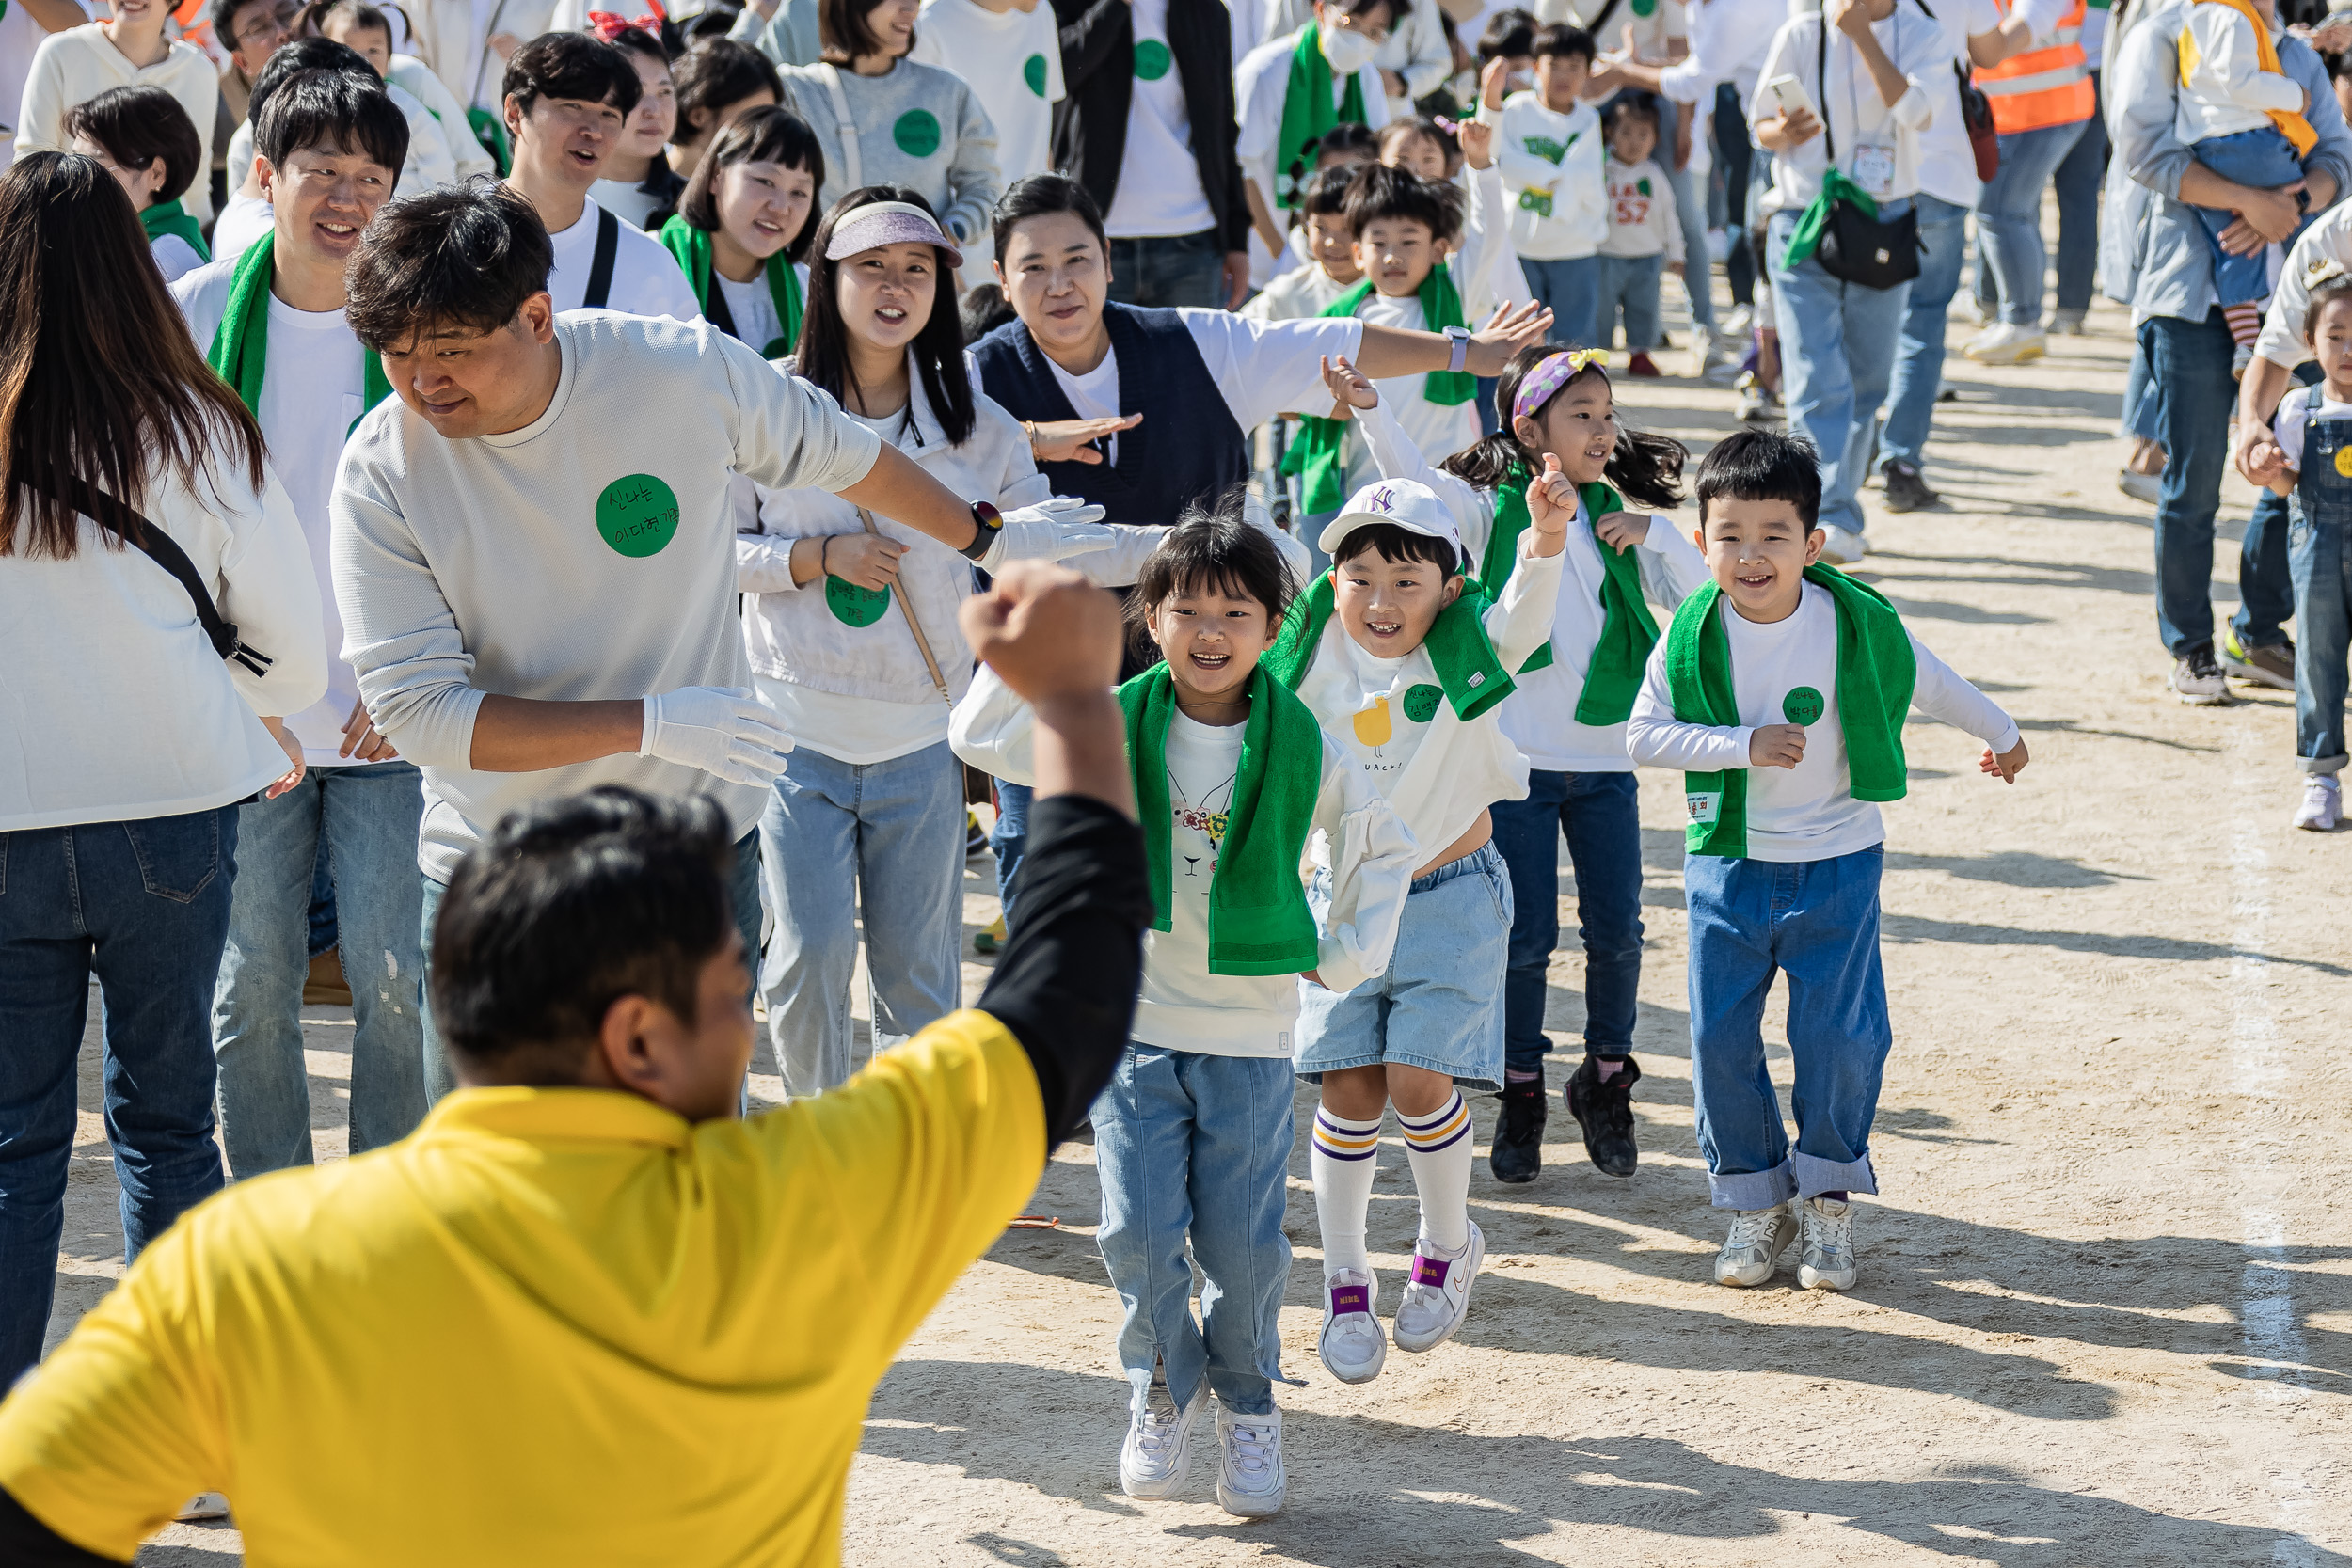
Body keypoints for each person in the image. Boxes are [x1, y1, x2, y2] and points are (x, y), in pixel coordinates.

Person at [0, 562, 1157, 1566]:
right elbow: (1066, 1001)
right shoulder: (799, 1208)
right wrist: (1067, 703)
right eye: (726, 995)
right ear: (639, 1038)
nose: (745, 1025)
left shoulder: (246, 1269)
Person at [327, 180, 1055, 1101]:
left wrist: (989, 538)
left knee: (686, 1167)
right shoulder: (381, 469)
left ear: (537, 316)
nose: (425, 381)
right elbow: (420, 714)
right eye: (397, 355)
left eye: (454, 352)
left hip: (689, 856)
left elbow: (845, 453)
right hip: (500, 868)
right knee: (502, 1198)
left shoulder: (674, 372)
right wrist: (651, 722)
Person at [952, 502, 1417, 1518]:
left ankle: (1249, 1403)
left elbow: (1381, 845)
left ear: (1272, 624)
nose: (1212, 631)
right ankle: (1161, 1387)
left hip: (1250, 1033)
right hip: (1133, 1021)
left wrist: (1343, 955)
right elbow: (975, 733)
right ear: (1149, 616)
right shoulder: (1108, 715)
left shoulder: (1304, 740)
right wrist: (1023, 615)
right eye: (1188, 608)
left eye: (1237, 611)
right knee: (1134, 1228)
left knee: (1243, 1244)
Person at [968, 173, 1549, 925]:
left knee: (1187, 894)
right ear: (1000, 280)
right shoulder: (974, 380)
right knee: (1047, 897)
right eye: (1033, 267)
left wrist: (1468, 354)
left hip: (1198, 675)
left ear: (1109, 260)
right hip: (1046, 680)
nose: (1059, 284)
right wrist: (1027, 439)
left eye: (1077, 259)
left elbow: (1331, 342)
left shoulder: (1195, 343)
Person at [0, 151, 325, 1389]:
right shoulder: (195, 427)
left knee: (15, 1147)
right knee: (170, 1128)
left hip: (7, 819)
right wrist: (207, 686)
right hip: (173, 812)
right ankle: (183, 1434)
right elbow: (293, 660)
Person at [737, 188, 1123, 1095]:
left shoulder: (978, 426)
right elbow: (715, 553)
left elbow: (1035, 547)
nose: (895, 286)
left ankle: (911, 1165)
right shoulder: (768, 403)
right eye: (871, 266)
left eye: (917, 270)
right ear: (826, 279)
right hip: (793, 730)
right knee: (808, 956)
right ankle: (820, 1150)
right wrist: (812, 556)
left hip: (923, 733)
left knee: (920, 974)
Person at [1626, 428, 2027, 1292]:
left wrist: (2003, 732)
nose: (1751, 554)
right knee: (1716, 1036)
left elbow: (1930, 679)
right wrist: (1740, 745)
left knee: (1840, 1039)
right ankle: (1753, 1205)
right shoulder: (1690, 635)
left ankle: (1829, 1200)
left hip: (1838, 860)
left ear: (1812, 543)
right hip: (1727, 863)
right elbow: (1642, 735)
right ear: (1701, 543)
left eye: (1774, 535)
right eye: (1729, 535)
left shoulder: (1854, 622)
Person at [1344, 345, 1707, 1181]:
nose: (1603, 431)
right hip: (1518, 766)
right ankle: (1522, 1091)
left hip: (1607, 760)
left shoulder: (1620, 513)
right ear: (1528, 425)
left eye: (1609, 415)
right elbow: (1418, 493)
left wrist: (1657, 533)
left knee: (1620, 932)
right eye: (1582, 414)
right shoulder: (1487, 508)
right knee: (1527, 939)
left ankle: (1607, 1077)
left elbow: (1699, 603)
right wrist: (1372, 410)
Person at [169, 70, 431, 1181]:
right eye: (324, 170)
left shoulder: (420, 318)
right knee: (252, 986)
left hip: (385, 719)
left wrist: (412, 671)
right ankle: (272, 1219)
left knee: (395, 982)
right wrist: (232, 689)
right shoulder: (190, 313)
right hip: (242, 720)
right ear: (265, 174)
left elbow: (459, 519)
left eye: (372, 177)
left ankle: (384, 1225)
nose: (349, 198)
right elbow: (156, 513)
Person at [1257, 457, 1564, 1385]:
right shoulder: (1304, 657)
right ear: (1332, 580)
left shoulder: (1466, 648)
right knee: (1346, 1087)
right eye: (1359, 579)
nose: (1380, 601)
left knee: (1418, 1080)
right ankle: (1345, 1275)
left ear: (1448, 585)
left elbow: (1523, 618)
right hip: (1342, 895)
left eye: (1406, 581)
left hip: (1452, 891)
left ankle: (1443, 1243)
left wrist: (1545, 538)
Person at [2108, 0, 2346, 702]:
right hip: (2184, 298)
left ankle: (2259, 629)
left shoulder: (2296, 56)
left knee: (2293, 465)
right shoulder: (2160, 36)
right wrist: (2249, 201)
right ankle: (2190, 647)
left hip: (2291, 305)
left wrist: (2292, 207)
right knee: (2194, 486)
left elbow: (2336, 156)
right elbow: (2144, 152)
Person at [1749, 0, 1947, 564]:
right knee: (1816, 371)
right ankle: (1827, 514)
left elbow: (1918, 114)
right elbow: (1758, 126)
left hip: (1882, 223)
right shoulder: (1798, 32)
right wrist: (1781, 130)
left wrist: (1861, 35)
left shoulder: (1922, 32)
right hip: (1801, 218)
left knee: (1867, 379)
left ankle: (1834, 502)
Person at [1281, 155, 1507, 559]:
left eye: (1408, 241)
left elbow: (1488, 235)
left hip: (1447, 483)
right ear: (1357, 252)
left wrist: (1480, 164)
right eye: (1379, 242)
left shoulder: (1455, 300)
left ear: (1439, 250)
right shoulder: (1344, 321)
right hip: (1373, 491)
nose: (1392, 256)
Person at [1877, 0, 2022, 515]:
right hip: (1940, 174)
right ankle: (1901, 461)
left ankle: (1849, 452)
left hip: (1871, 174)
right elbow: (1992, 50)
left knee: (1865, 319)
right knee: (1923, 321)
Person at [1053, 0, 1256, 309]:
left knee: (1191, 358)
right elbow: (1060, 75)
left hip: (1193, 238)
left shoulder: (1207, 10)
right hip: (1095, 241)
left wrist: (1237, 242)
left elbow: (1223, 130)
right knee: (1096, 358)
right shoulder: (1074, 6)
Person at [2241, 274, 2352, 830]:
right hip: (2319, 558)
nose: (2349, 348)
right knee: (2317, 664)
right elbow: (2286, 489)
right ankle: (2322, 778)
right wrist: (2270, 472)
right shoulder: (2294, 410)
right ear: (2310, 342)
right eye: (2336, 335)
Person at [498, 31, 703, 319]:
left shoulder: (651, 265)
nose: (593, 130)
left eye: (609, 114)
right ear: (515, 112)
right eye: (573, 106)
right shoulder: (445, 237)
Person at [773, 0, 1003, 248]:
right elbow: (729, 81)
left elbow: (984, 187)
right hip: (821, 280)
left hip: (918, 282)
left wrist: (951, 231)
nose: (911, 9)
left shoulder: (947, 91)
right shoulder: (795, 91)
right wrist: (755, 17)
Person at [2171, 0, 2319, 374]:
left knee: (2235, 248)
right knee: (2302, 222)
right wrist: (2294, 95)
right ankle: (2305, 329)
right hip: (2245, 140)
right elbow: (2239, 81)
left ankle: (2248, 345)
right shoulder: (2231, 16)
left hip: (2207, 147)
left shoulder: (2199, 13)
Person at [1962, 0, 2094, 365]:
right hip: (2027, 112)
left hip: (2043, 112)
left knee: (2001, 211)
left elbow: (2015, 34)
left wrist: (1951, 38)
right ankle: (2018, 319)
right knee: (2011, 212)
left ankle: (2022, 323)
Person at [1236, 0, 1396, 289]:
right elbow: (1240, 171)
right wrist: (1282, 254)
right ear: (1321, 9)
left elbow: (1378, 168)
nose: (1360, 40)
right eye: (1351, 23)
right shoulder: (1269, 69)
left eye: (1375, 33)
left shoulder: (1366, 77)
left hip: (1340, 273)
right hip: (1263, 266)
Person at [14, 0, 221, 222]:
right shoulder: (59, 52)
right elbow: (32, 162)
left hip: (160, 243)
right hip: (67, 234)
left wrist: (202, 252)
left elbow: (195, 186)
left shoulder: (200, 72)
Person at [659, 104, 823, 353]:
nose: (780, 207)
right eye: (765, 181)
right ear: (716, 176)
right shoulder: (655, 265)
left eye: (799, 192)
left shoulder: (808, 290)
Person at [1486, 24, 1609, 351]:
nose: (1563, 76)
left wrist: (1540, 174)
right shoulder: (1515, 109)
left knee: (1574, 341)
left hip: (1575, 247)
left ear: (1588, 72)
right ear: (1536, 67)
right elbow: (1500, 159)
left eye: (1574, 67)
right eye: (1554, 65)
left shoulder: (1588, 119)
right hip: (1521, 245)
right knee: (1519, 340)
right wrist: (1551, 174)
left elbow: (1585, 175)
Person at [303, 0, 501, 179]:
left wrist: (434, 206)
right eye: (350, 50)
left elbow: (437, 156)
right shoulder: (318, 106)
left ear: (389, 60)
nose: (363, 60)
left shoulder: (403, 105)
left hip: (417, 205)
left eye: (374, 50)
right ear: (328, 55)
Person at [908, 0, 1065, 186]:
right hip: (968, 212)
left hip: (1035, 208)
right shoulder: (928, 25)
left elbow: (1041, 136)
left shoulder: (1041, 13)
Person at [63, 84, 209, 280]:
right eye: (75, 160)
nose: (75, 174)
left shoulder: (168, 257)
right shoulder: (129, 235)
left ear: (156, 173)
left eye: (93, 163)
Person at [400, 0, 561, 158]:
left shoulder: (548, 4)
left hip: (511, 133)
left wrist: (528, 54)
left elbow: (565, 64)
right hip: (447, 130)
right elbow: (412, 57)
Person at [1596, 89, 1679, 374]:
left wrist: (1676, 253)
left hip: (1647, 255)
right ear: (1610, 133)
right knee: (1601, 310)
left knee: (1644, 308)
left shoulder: (1654, 175)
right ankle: (1599, 355)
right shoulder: (1601, 170)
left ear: (1655, 140)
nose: (1634, 142)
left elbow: (1669, 215)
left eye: (1643, 135)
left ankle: (1640, 352)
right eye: (1626, 133)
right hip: (1606, 253)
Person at [1260, 0, 1456, 120]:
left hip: (1384, 113)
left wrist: (1402, 82)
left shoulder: (1419, 3)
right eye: (1350, 21)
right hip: (1303, 106)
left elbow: (1438, 63)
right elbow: (1275, 50)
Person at [2047, 0, 2111, 335]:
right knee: (2078, 195)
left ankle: (1998, 304)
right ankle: (2070, 311)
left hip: (2042, 69)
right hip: (2094, 67)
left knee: (2008, 196)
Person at [584, 20, 687, 227]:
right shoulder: (557, 197)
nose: (654, 111)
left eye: (664, 92)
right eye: (635, 93)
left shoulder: (693, 203)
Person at [1239, 161, 1365, 321]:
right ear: (1306, 227)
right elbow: (1242, 328)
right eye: (1321, 228)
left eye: (1347, 229)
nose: (1332, 242)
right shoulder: (1288, 292)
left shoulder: (1389, 289)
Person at [668, 36, 785, 180]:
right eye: (750, 119)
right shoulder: (645, 192)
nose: (762, 133)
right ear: (698, 116)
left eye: (769, 120)